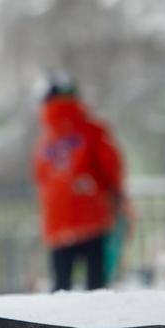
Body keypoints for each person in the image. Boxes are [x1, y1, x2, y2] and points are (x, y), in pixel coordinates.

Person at [32, 73, 126, 292]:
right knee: (96, 285)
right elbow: (112, 165)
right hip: (90, 215)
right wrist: (115, 195)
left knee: (61, 286)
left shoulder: (45, 141)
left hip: (57, 221)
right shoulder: (92, 131)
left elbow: (40, 177)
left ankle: (56, 323)